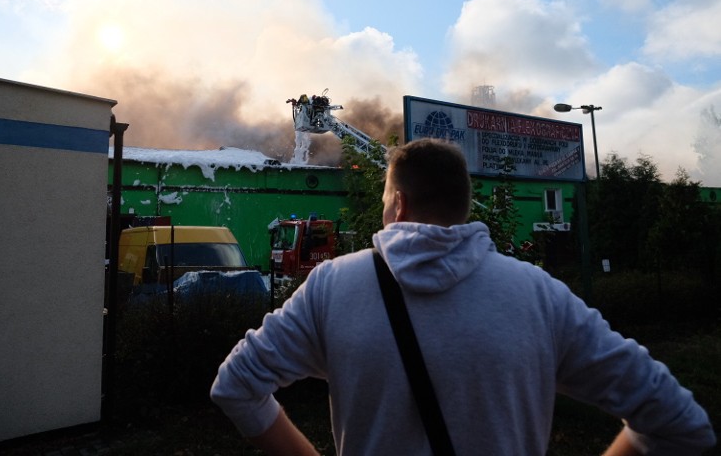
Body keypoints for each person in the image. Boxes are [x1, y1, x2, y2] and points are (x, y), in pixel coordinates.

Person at [210, 138, 716, 455]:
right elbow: (679, 421)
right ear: (463, 203)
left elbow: (235, 385)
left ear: (399, 203)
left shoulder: (332, 286)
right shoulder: (538, 294)